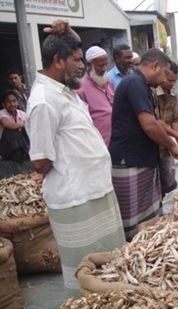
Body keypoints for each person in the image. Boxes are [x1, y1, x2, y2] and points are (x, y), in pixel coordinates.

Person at [26, 21, 125, 290]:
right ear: (58, 61)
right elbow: (41, 159)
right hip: (75, 199)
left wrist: (70, 33)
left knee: (110, 269)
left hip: (95, 192)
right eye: (77, 60)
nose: (83, 65)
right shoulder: (44, 100)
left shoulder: (66, 91)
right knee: (84, 276)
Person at [109, 49, 178, 240]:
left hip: (142, 160)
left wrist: (177, 137)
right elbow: (150, 125)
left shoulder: (142, 85)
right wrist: (172, 146)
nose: (162, 80)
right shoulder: (134, 83)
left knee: (148, 219)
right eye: (163, 74)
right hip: (129, 160)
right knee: (133, 224)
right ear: (154, 66)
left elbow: (157, 122)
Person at [153, 61, 178, 196]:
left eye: (175, 81)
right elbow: (156, 122)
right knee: (155, 185)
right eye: (169, 80)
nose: (171, 83)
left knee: (170, 182)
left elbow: (175, 120)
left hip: (166, 146)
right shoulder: (151, 92)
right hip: (153, 144)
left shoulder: (173, 94)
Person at [77, 46, 114, 145]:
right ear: (89, 65)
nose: (104, 69)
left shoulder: (108, 81)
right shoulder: (81, 89)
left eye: (106, 64)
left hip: (116, 141)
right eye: (100, 66)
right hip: (99, 144)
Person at [0, 89, 29, 162]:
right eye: (9, 102)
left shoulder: (22, 114)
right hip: (6, 147)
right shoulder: (1, 113)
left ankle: (26, 153)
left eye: (14, 101)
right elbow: (7, 124)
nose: (12, 104)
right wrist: (25, 125)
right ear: (3, 104)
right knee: (13, 131)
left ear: (18, 102)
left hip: (22, 145)